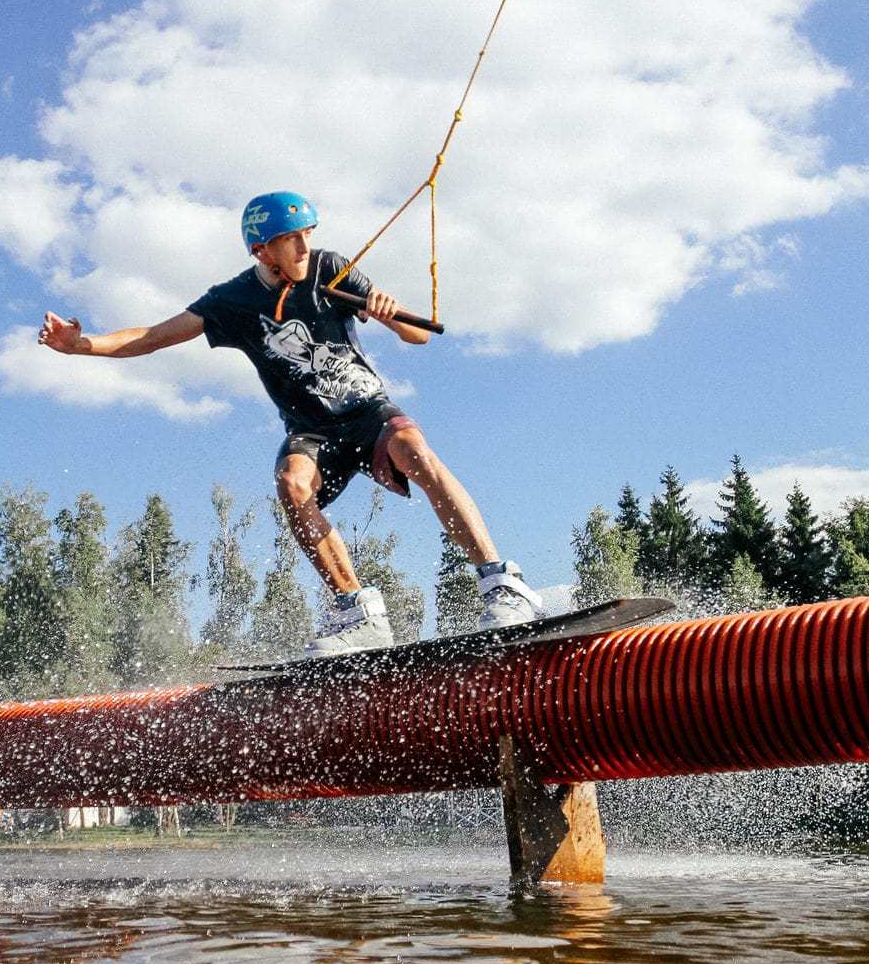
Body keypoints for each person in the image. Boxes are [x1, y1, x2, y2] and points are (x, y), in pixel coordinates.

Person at [38, 190, 544, 655]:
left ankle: (501, 581)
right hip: (312, 429)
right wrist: (81, 345)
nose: (304, 248)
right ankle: (357, 610)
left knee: (414, 448)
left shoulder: (331, 269)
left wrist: (391, 313)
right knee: (290, 482)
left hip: (368, 413)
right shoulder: (231, 301)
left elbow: (419, 337)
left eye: (308, 236)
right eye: (291, 241)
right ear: (262, 251)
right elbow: (152, 336)